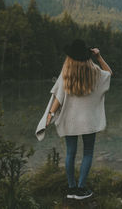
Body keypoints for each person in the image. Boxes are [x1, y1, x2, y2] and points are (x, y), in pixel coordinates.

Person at [45, 39, 112, 200]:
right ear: (86, 56)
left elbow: (59, 98)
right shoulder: (95, 72)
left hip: (70, 120)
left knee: (71, 153)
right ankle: (81, 189)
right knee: (88, 152)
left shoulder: (66, 73)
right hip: (88, 121)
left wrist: (50, 114)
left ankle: (71, 188)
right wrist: (99, 57)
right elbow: (109, 73)